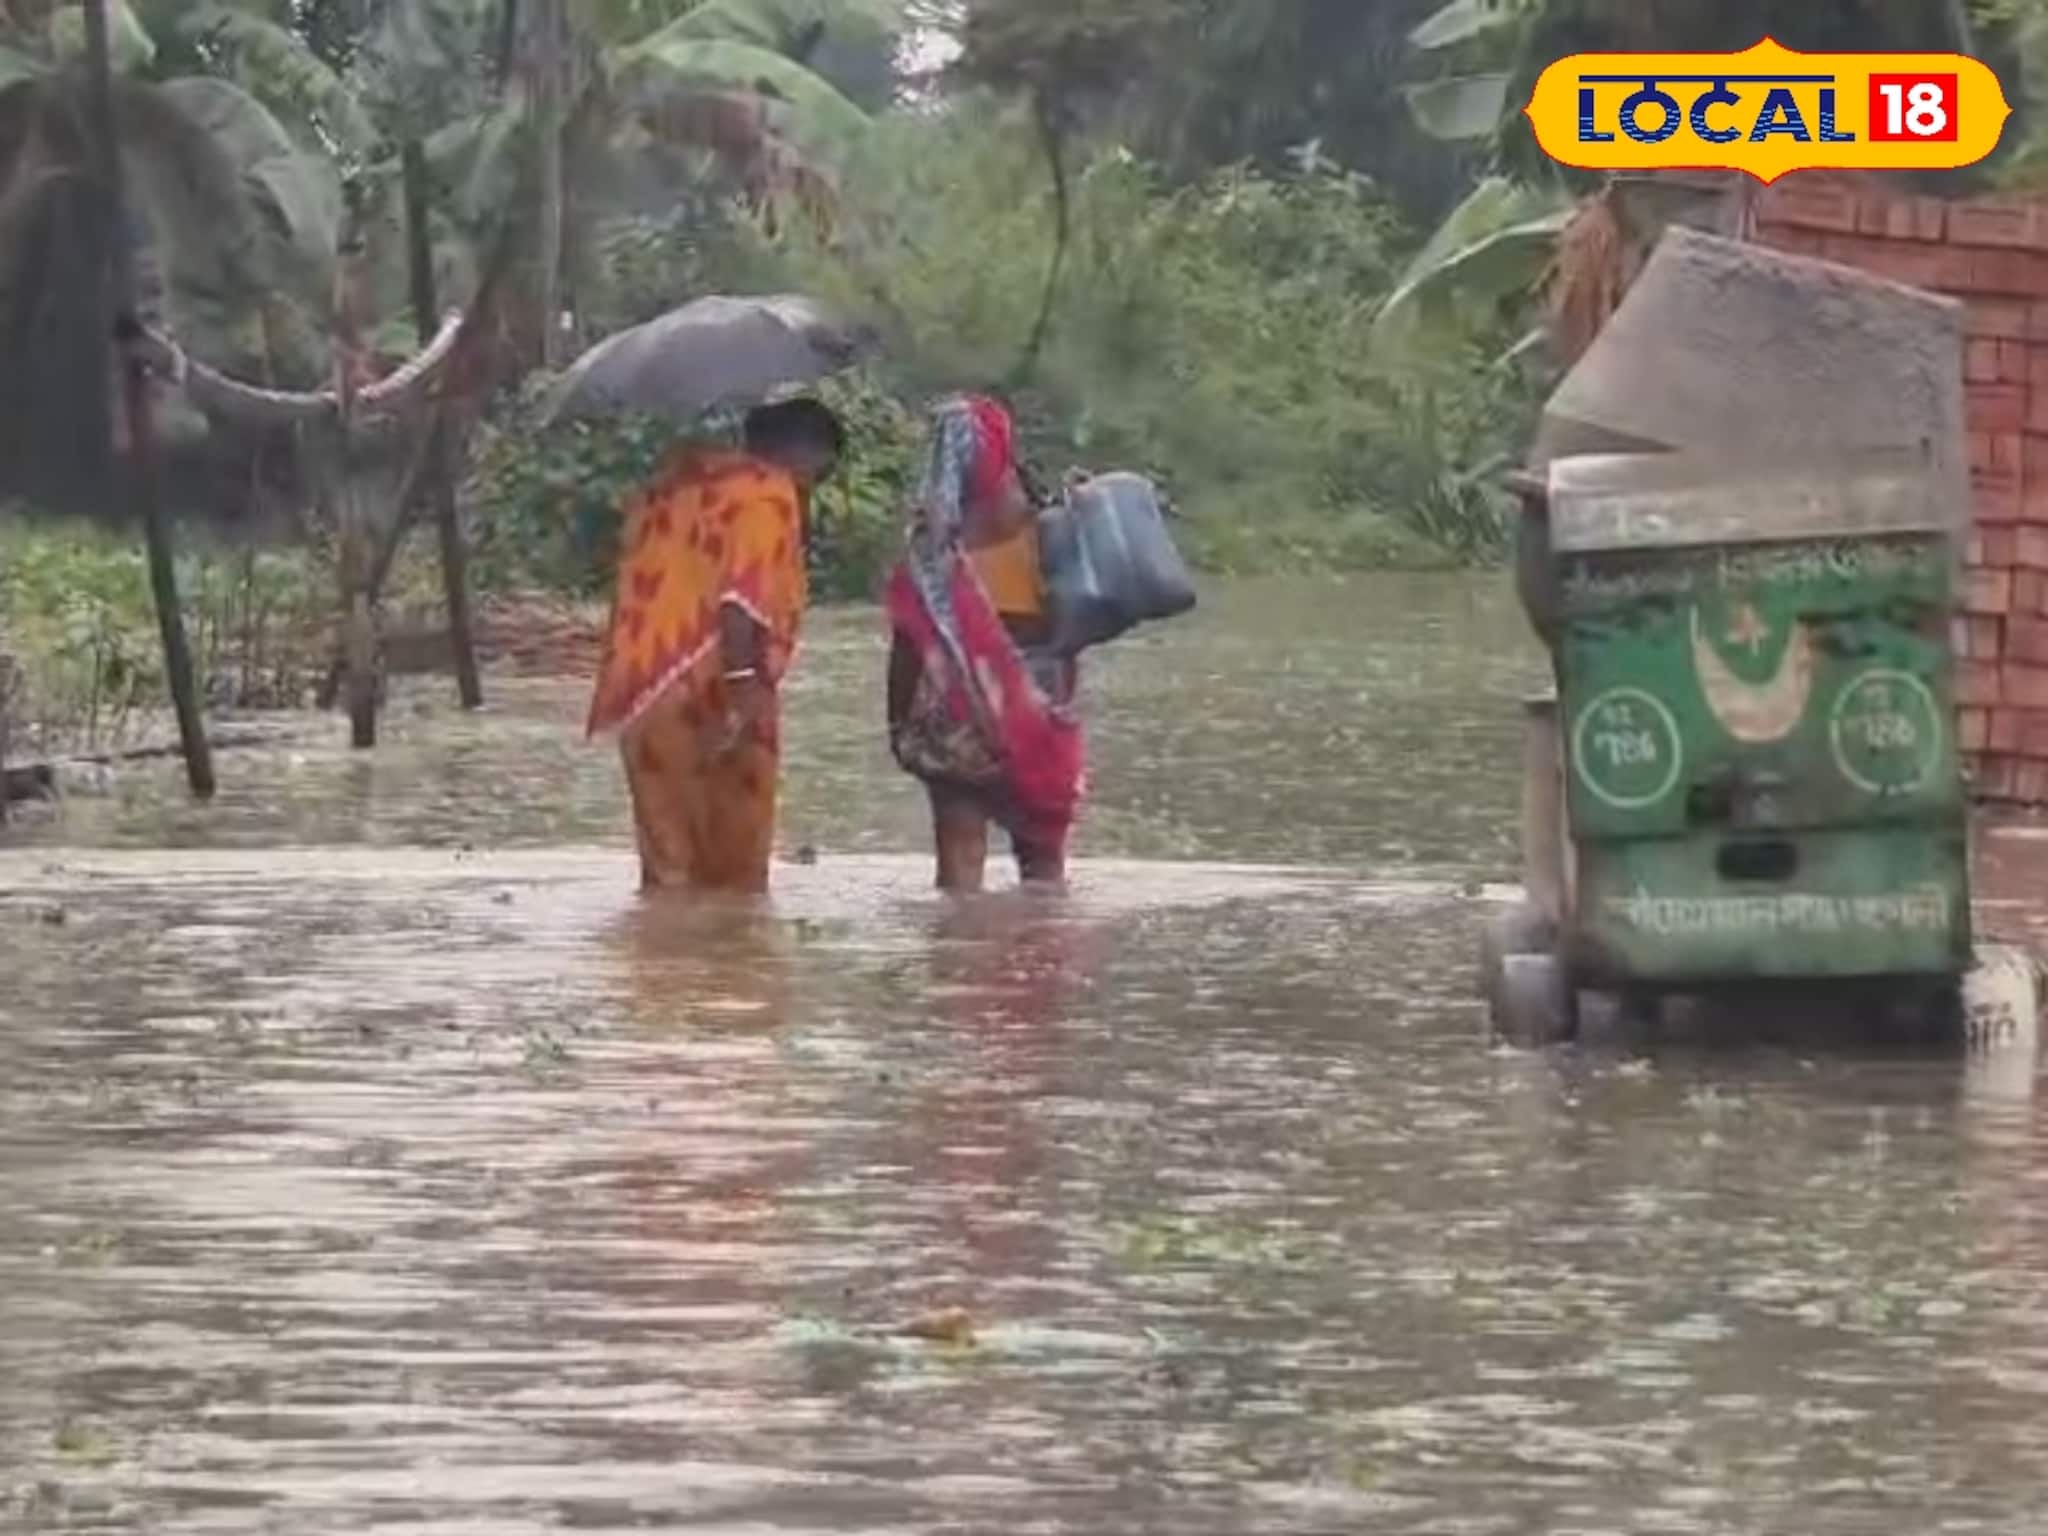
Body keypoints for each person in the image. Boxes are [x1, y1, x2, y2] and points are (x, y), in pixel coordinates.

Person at [587, 397, 845, 893]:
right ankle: (725, 951)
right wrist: (743, 689)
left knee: (668, 877)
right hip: (716, 690)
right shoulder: (768, 493)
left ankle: (670, 948)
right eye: (821, 472)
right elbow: (741, 599)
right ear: (807, 453)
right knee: (738, 883)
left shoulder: (671, 485)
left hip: (645, 694)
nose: (813, 486)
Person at [885, 395, 1084, 893]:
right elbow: (1074, 631)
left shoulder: (932, 552)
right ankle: (1045, 942)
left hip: (958, 720)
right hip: (1039, 713)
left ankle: (958, 945)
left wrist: (897, 724)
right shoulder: (1048, 527)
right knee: (1043, 868)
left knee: (959, 867)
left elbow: (910, 642)